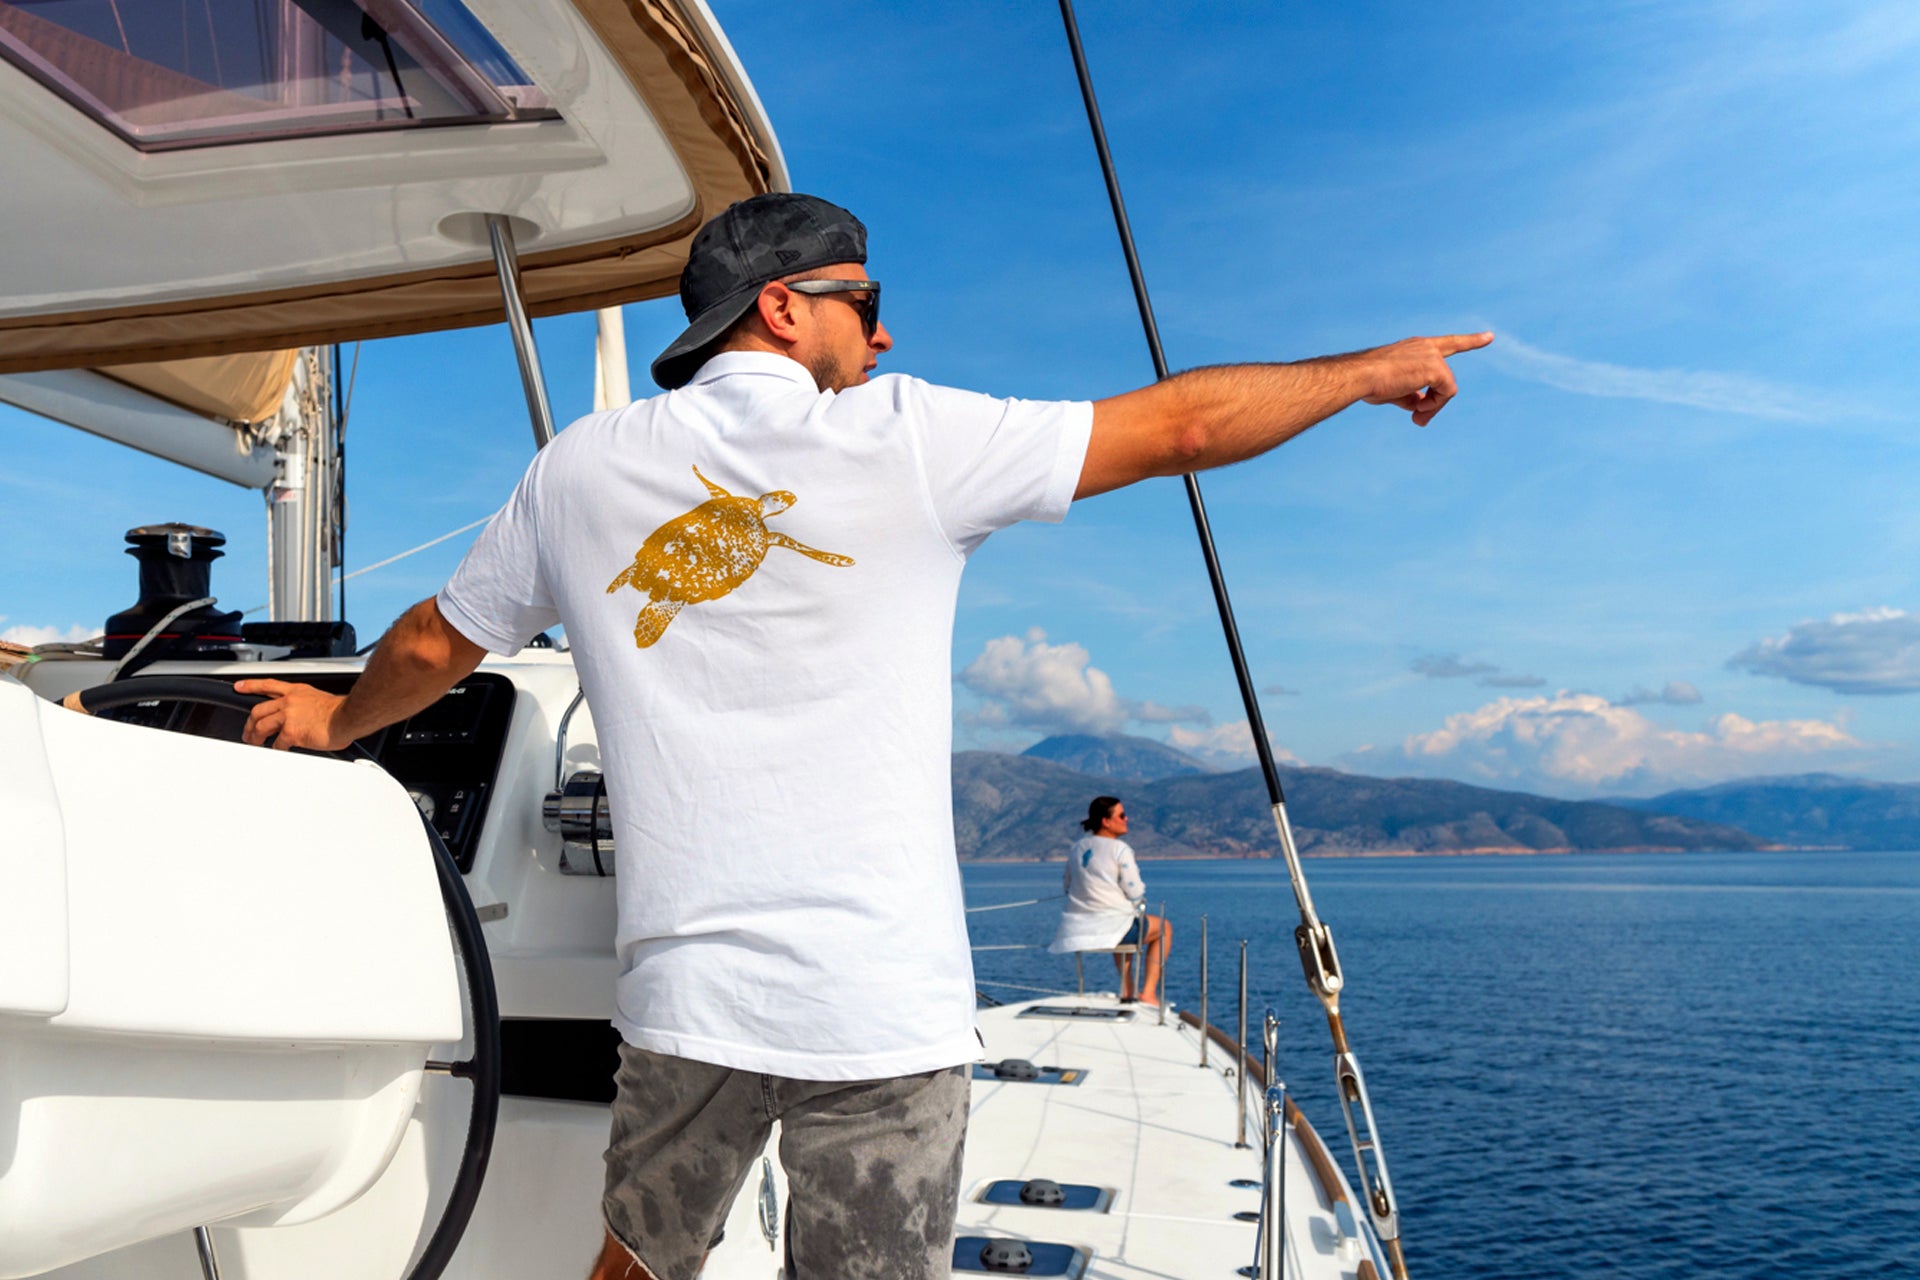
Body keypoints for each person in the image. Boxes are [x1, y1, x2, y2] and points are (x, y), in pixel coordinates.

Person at [236, 191, 1490, 1280]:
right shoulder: (907, 436)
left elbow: (432, 643)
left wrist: (335, 720)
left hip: (686, 999)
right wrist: (1377, 369)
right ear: (784, 308)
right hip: (879, 1013)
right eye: (864, 299)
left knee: (638, 1257)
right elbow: (1186, 428)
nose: (883, 332)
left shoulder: (579, 467)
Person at [1050, 796, 1169, 1003]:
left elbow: (1067, 886)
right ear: (1106, 821)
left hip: (1076, 929)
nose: (1126, 818)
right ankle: (1148, 992)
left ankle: (1128, 989)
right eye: (1122, 815)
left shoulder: (1076, 848)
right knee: (1164, 928)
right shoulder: (1119, 849)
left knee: (1121, 925)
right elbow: (1135, 891)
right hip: (1111, 926)